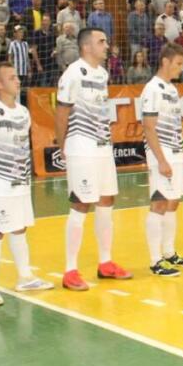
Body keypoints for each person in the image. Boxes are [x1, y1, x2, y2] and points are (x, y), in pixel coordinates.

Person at [55, 28, 132, 290]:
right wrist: (63, 146)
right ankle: (70, 270)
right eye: (101, 41)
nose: (106, 45)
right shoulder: (73, 73)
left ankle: (105, 262)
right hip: (81, 146)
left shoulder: (102, 74)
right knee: (81, 203)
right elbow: (62, 111)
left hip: (102, 147)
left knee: (107, 200)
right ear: (86, 46)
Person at [0, 62, 51, 304]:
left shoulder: (23, 112)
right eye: (11, 77)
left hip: (20, 183)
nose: (17, 80)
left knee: (19, 227)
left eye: (17, 76)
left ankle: (25, 277)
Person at [141, 44, 183, 277]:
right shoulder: (152, 89)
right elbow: (149, 127)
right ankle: (155, 261)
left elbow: (176, 126)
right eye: (178, 64)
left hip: (174, 152)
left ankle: (169, 252)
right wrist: (161, 160)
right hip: (160, 154)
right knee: (159, 204)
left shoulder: (172, 90)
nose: (182, 69)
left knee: (173, 202)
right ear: (165, 62)